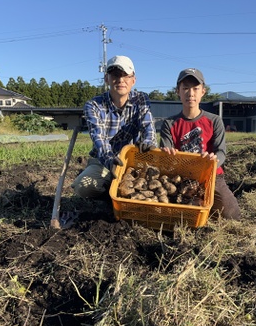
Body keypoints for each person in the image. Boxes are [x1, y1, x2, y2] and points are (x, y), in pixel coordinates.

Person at [72, 55, 157, 199]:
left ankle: (124, 194)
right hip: (103, 162)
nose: (120, 80)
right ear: (107, 79)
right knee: (83, 187)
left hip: (132, 160)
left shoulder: (141, 100)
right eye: (115, 75)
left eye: (125, 75)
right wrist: (110, 160)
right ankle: (111, 195)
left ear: (133, 80)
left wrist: (149, 142)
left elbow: (148, 126)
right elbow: (98, 139)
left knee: (153, 180)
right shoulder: (94, 105)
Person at [160, 68, 241, 220]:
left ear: (203, 91)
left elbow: (221, 152)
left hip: (210, 175)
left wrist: (214, 159)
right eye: (185, 88)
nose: (190, 93)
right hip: (181, 176)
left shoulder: (214, 120)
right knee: (171, 214)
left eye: (195, 89)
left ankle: (206, 205)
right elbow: (166, 153)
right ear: (178, 91)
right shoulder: (169, 123)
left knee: (231, 215)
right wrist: (167, 154)